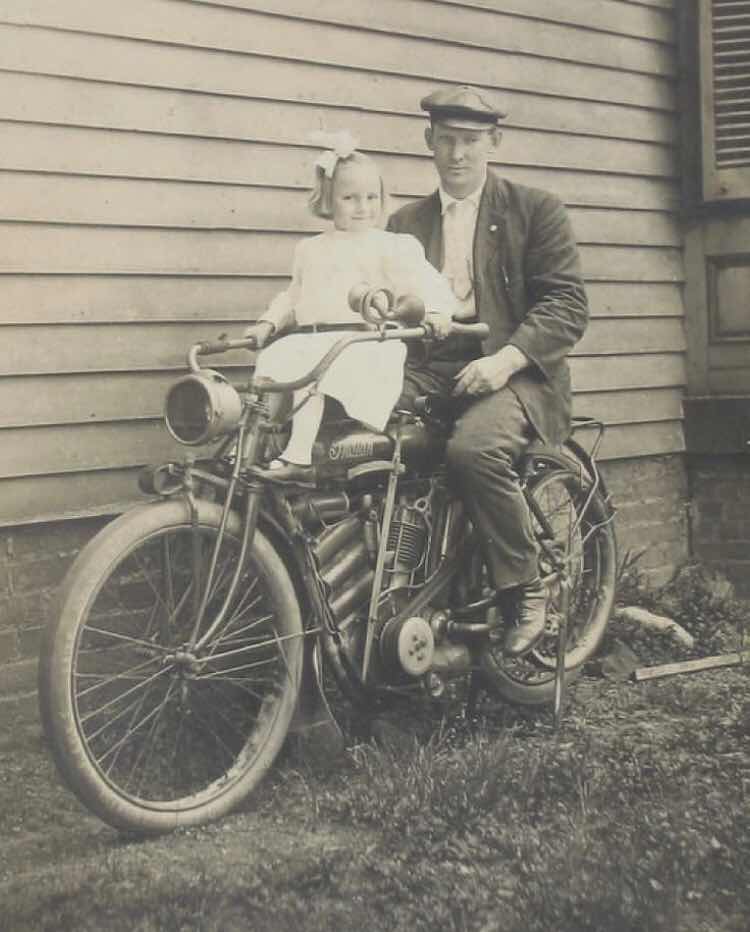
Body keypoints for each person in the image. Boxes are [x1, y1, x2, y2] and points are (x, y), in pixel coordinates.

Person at [387, 85, 589, 656]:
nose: (457, 154)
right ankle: (395, 594)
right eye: (446, 140)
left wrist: (504, 361)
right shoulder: (404, 223)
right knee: (358, 433)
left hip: (517, 371)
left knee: (472, 452)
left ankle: (525, 587)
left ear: (493, 142)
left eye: (470, 141)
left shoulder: (535, 210)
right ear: (428, 141)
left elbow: (567, 306)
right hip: (434, 368)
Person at [245, 131, 458, 479]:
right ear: (328, 200)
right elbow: (293, 297)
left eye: (372, 197)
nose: (363, 207)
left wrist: (437, 313)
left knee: (312, 373)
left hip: (364, 344)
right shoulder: (311, 249)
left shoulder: (391, 246)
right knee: (271, 367)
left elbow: (427, 283)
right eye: (350, 198)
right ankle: (252, 448)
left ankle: (298, 455)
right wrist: (268, 323)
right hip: (313, 339)